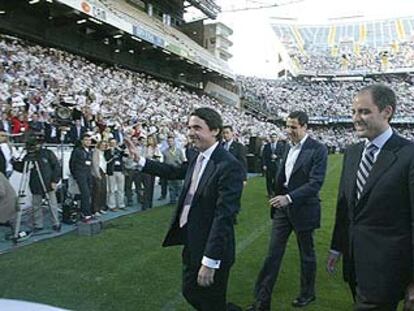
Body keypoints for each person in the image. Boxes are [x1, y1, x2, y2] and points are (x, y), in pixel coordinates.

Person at [126, 107, 244, 311]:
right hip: (192, 239)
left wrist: (210, 261)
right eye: (189, 127)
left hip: (213, 248)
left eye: (197, 127)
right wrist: (140, 160)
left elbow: (224, 217)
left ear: (215, 130)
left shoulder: (228, 165)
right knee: (190, 291)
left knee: (211, 303)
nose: (190, 132)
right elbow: (173, 171)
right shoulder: (195, 155)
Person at [327, 84, 414, 311]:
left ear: (387, 112)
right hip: (355, 265)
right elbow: (344, 206)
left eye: (364, 112)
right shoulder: (353, 152)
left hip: (389, 271)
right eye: (354, 112)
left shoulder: (409, 154)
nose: (356, 118)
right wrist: (337, 247)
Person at [248, 111, 328, 311]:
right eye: (287, 126)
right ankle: (261, 302)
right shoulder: (287, 148)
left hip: (304, 209)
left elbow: (315, 183)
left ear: (305, 127)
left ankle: (307, 293)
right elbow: (284, 177)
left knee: (306, 255)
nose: (289, 130)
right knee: (273, 255)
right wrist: (279, 196)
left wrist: (289, 197)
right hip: (283, 211)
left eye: (293, 127)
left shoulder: (318, 149)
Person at [13, 135, 61, 231]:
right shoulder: (28, 156)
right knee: (36, 205)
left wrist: (54, 181)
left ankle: (56, 222)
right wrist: (14, 163)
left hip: (48, 183)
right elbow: (23, 168)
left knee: (52, 204)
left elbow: (56, 167)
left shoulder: (48, 153)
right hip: (35, 184)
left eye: (37, 143)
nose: (36, 145)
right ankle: (38, 224)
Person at [69, 134, 93, 221]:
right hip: (80, 174)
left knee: (88, 193)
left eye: (89, 140)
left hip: (88, 174)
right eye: (86, 140)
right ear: (82, 141)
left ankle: (86, 211)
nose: (88, 142)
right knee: (85, 193)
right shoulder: (77, 151)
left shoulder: (90, 151)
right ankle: (86, 213)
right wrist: (75, 175)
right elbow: (72, 163)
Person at [162, 135, 185, 204]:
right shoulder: (165, 152)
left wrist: (179, 162)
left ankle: (181, 200)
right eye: (168, 141)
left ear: (174, 142)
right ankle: (172, 200)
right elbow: (164, 161)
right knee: (171, 187)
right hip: (169, 171)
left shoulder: (178, 151)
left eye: (171, 141)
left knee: (179, 186)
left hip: (177, 170)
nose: (170, 142)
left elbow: (183, 161)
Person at [261, 133, 287, 197]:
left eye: (275, 137)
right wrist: (264, 164)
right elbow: (263, 156)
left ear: (277, 138)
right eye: (272, 137)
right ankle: (269, 193)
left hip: (277, 165)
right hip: (269, 164)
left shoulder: (280, 145)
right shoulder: (267, 146)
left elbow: (283, 155)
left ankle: (274, 191)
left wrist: (277, 156)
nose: (273, 138)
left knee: (276, 179)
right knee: (269, 180)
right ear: (270, 138)